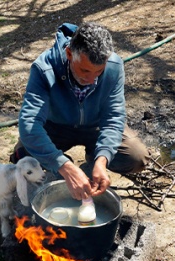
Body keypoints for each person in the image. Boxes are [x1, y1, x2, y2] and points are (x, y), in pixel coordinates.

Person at [11, 22, 150, 200]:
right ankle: (64, 164)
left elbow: (114, 117)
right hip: (55, 127)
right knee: (24, 158)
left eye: (98, 71)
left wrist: (103, 159)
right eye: (85, 70)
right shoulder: (44, 68)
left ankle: (92, 161)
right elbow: (29, 125)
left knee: (137, 157)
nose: (92, 79)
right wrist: (64, 166)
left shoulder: (114, 66)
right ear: (69, 54)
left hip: (95, 127)